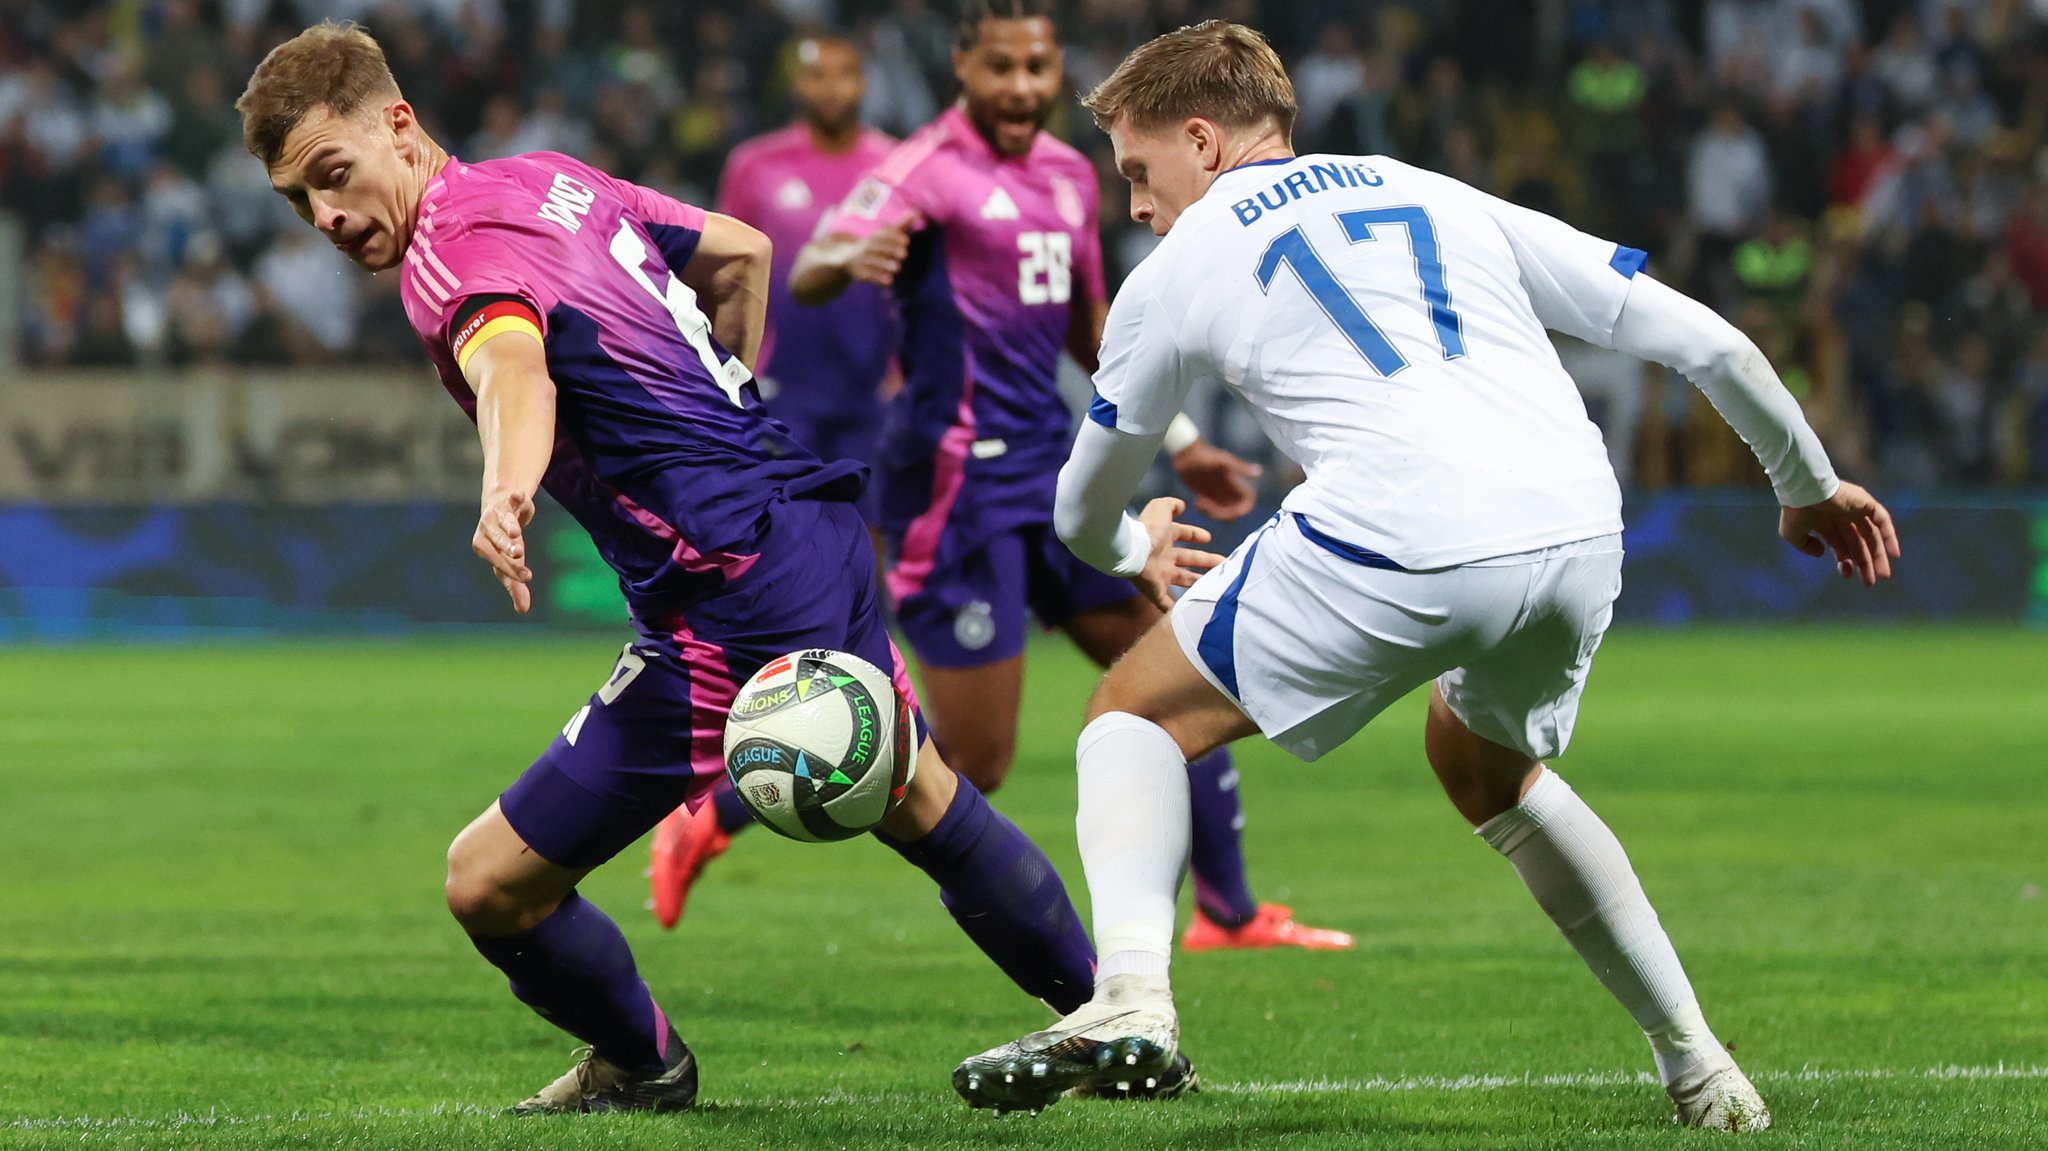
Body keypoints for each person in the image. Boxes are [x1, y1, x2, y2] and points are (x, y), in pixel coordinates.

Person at [954, 22, 1900, 1129]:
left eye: (1137, 171)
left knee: (1130, 714)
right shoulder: (1438, 192)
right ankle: (1699, 1066)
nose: (1135, 205)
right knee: (1483, 767)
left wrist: (1131, 547)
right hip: (1578, 528)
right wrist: (1805, 482)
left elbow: (1077, 508)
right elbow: (1714, 348)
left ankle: (1128, 997)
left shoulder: (1178, 268)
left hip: (1403, 523)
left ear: (1201, 141)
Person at [236, 21, 1109, 1114]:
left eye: (333, 176)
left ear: (398, 126)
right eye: (298, 201)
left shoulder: (442, 257)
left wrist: (507, 483)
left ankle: (646, 1064)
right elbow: (741, 250)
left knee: (490, 883)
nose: (326, 216)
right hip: (801, 521)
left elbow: (512, 365)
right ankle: (1115, 1013)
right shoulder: (543, 179)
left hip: (725, 593)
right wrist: (722, 411)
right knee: (916, 789)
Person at [781, 0, 1352, 955]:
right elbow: (815, 268)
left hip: (1050, 471)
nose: (1021, 88)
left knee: (1182, 663)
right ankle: (729, 801)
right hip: (954, 491)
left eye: (1037, 68)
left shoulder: (1064, 174)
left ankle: (1233, 911)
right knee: (980, 760)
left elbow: (1096, 332)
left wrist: (1180, 437)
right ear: (965, 67)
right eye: (1001, 67)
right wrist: (848, 256)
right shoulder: (925, 166)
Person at [646, 33, 900, 929]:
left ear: (862, 81)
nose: (832, 85)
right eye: (817, 72)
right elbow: (714, 269)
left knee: (866, 591)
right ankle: (741, 781)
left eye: (845, 71)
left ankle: (732, 791)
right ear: (799, 81)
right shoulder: (757, 168)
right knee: (785, 600)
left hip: (873, 405)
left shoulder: (889, 167)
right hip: (782, 405)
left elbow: (907, 280)